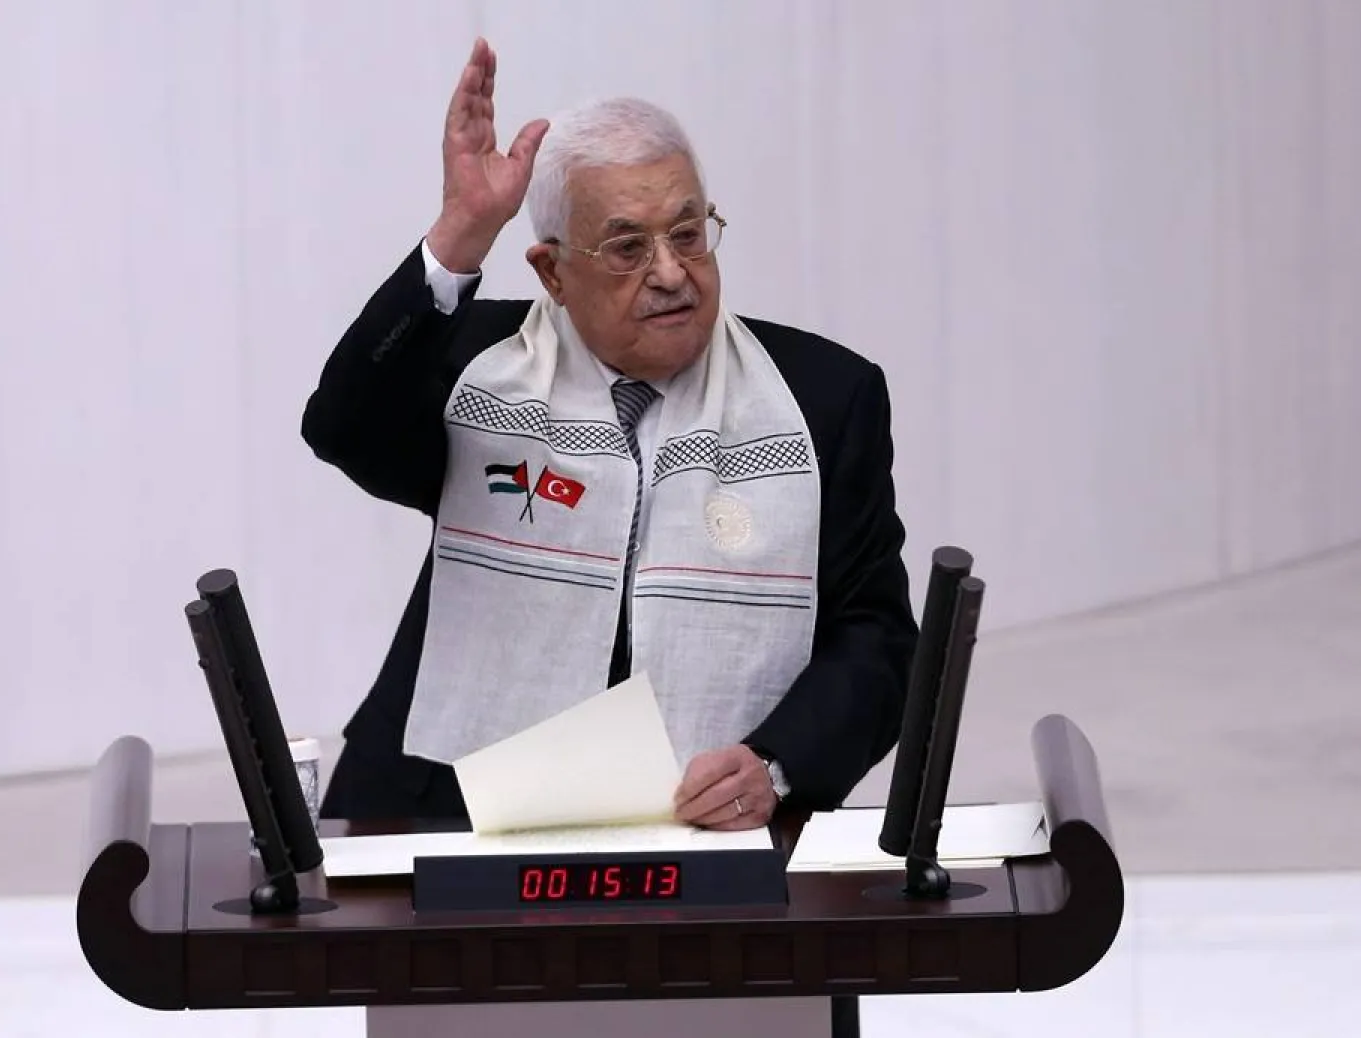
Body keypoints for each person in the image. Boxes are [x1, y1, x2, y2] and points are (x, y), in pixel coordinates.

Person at [302, 38, 918, 832]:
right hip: (447, 802)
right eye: (628, 248)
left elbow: (876, 637)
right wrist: (462, 229)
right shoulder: (478, 368)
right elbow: (342, 424)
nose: (671, 272)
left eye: (688, 234)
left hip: (702, 819)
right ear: (553, 272)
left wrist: (775, 764)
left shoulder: (825, 399)